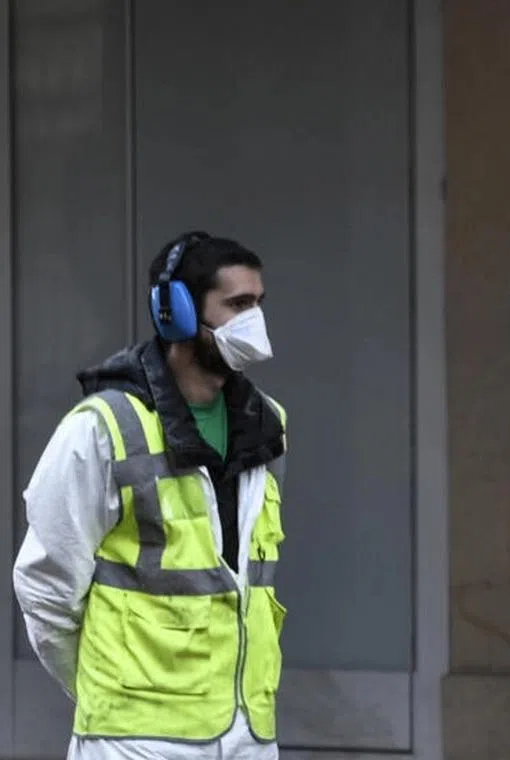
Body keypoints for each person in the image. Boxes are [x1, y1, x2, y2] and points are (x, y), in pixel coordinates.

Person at [12, 231, 289, 760]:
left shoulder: (266, 425)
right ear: (176, 314)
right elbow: (45, 586)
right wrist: (109, 694)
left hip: (247, 732)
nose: (254, 320)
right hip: (136, 741)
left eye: (258, 303)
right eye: (238, 305)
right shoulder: (103, 427)